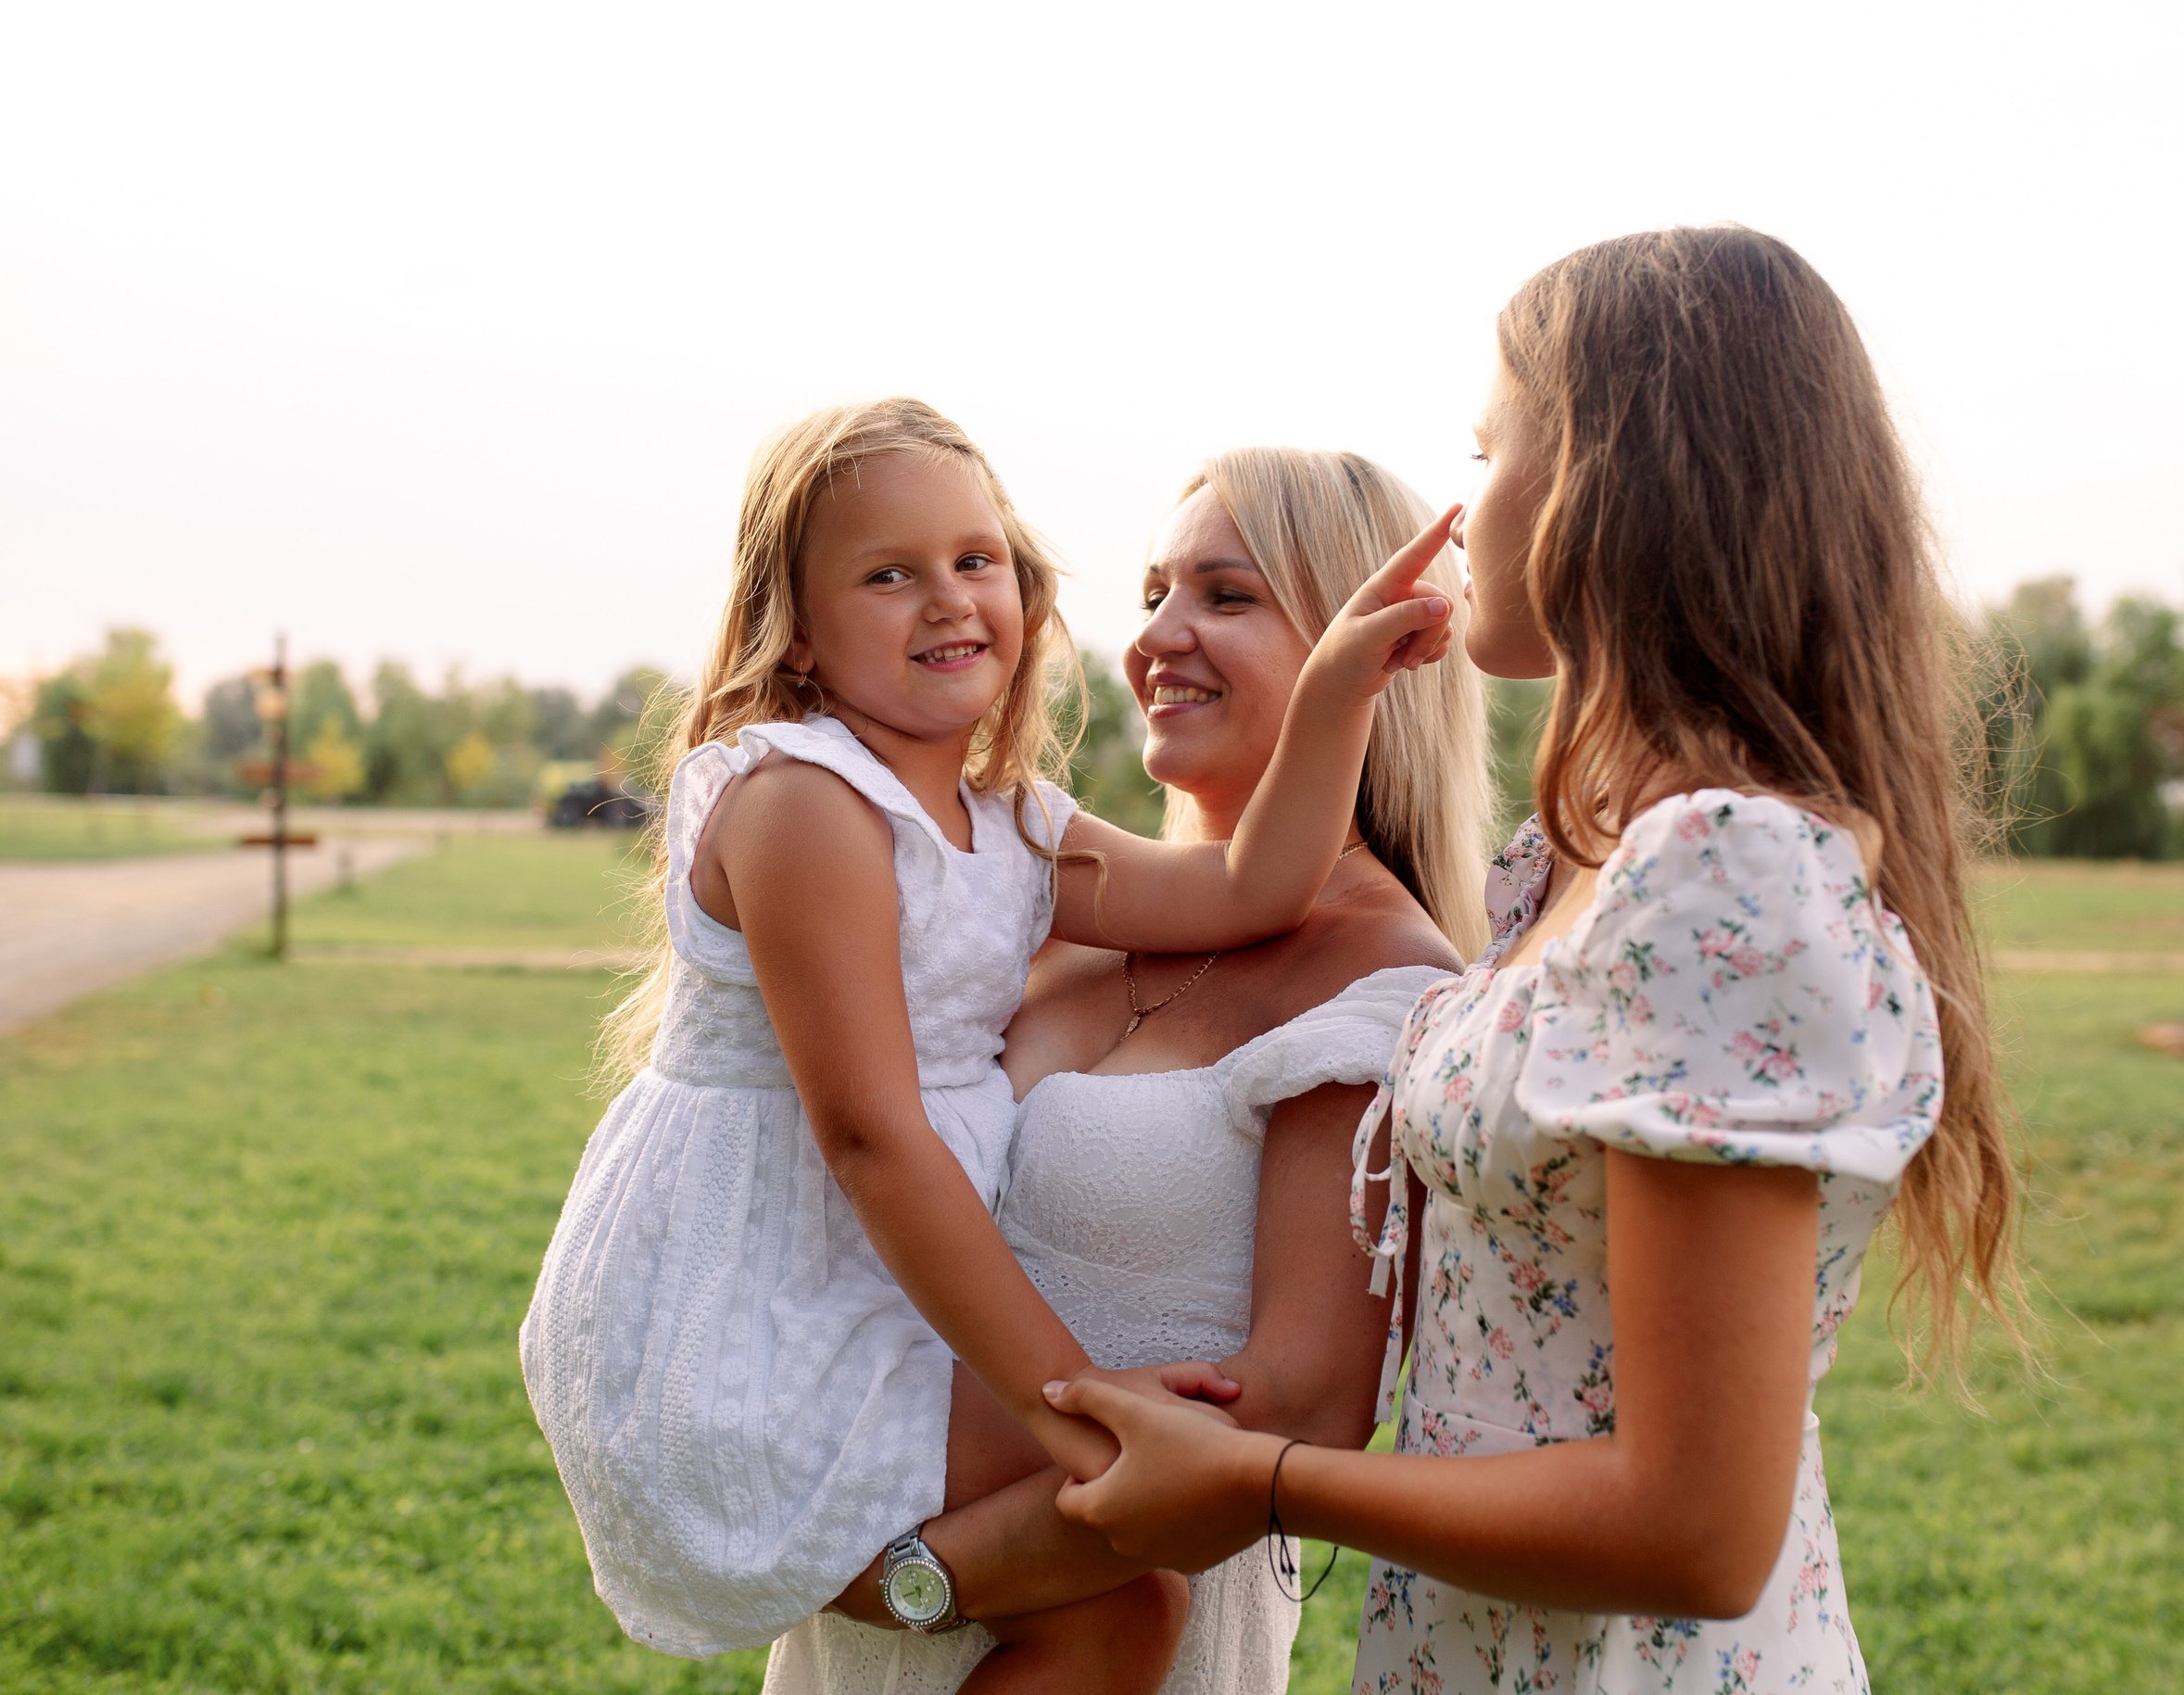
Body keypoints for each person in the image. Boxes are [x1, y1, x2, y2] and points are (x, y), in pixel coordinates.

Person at [1043, 228, 2025, 1694]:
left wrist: (1261, 1483)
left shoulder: (1724, 875)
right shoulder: (1571, 866)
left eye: (1490, 446)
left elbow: (1695, 1530)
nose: (1459, 503)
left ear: (1607, 480)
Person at [518, 398, 1458, 1691]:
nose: (949, 600)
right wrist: (1071, 1401)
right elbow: (871, 1140)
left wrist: (1344, 685)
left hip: (920, 1403)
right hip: (753, 1313)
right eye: (888, 572)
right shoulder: (807, 804)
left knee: (1123, 1618)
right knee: (1120, 1608)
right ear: (794, 631)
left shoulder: (1012, 832)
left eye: (976, 562)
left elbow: (1252, 887)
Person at [764, 448, 1494, 1695]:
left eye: (1225, 595)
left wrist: (906, 1573)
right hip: (850, 1625)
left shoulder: (1384, 982)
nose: (1158, 636)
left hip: (1096, 1627)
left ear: (1367, 650)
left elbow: (1292, 1417)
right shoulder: (1039, 914)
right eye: (1156, 591)